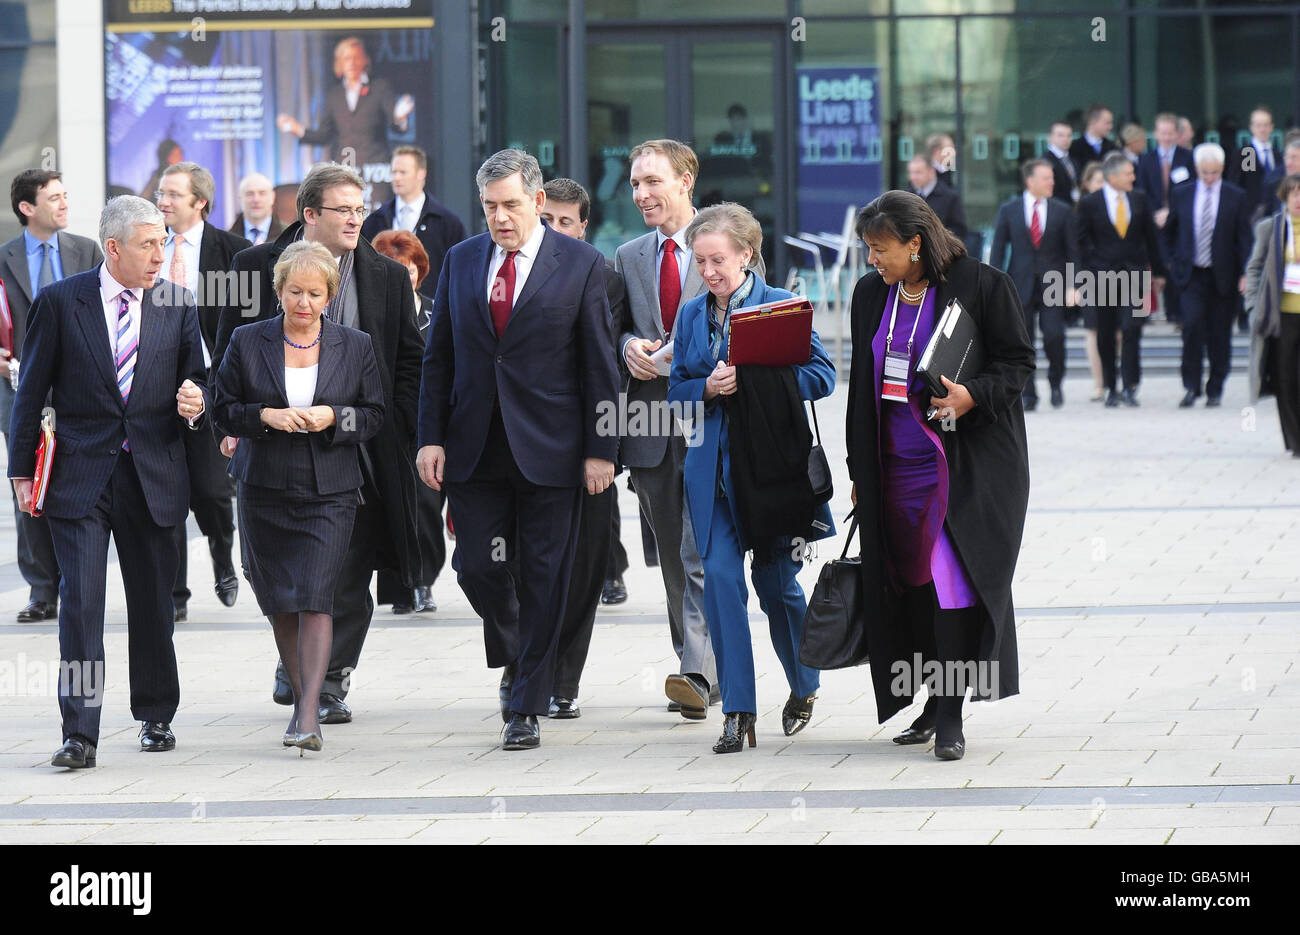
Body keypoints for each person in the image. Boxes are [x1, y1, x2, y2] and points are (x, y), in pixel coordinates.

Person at [416, 150, 618, 751]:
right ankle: (513, 647)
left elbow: (599, 367)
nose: (499, 217)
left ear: (536, 201)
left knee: (546, 574)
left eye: (509, 204)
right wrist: (429, 436)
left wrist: (601, 449)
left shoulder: (580, 264)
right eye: (489, 207)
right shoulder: (460, 259)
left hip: (553, 450)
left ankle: (526, 702)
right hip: (475, 446)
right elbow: (439, 358)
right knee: (477, 565)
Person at [213, 162, 422, 726]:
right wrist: (241, 425)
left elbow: (406, 363)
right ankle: (298, 661)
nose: (357, 219)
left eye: (361, 209)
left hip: (361, 449)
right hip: (268, 455)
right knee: (268, 571)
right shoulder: (253, 267)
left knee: (349, 569)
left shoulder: (386, 275)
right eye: (344, 210)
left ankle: (327, 680)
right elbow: (225, 363)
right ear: (310, 215)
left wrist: (392, 429)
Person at [8, 195, 208, 768]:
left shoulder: (176, 302)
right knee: (81, 606)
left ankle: (156, 716)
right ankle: (80, 733)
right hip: (81, 479)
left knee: (152, 605)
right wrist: (22, 469)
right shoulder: (59, 302)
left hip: (152, 475)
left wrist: (197, 400)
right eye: (148, 244)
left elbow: (195, 379)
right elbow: (32, 391)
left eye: (164, 242)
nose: (159, 255)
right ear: (114, 248)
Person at [846, 190, 1033, 762]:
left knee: (950, 582)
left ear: (915, 244)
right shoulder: (869, 294)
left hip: (960, 467)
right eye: (868, 250)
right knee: (912, 585)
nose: (872, 260)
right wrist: (860, 470)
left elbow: (1018, 363)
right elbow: (861, 387)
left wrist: (973, 395)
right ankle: (932, 697)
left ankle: (951, 714)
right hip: (891, 466)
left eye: (880, 250)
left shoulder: (981, 284)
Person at [667, 203, 835, 754]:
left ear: (746, 254)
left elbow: (822, 375)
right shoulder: (692, 315)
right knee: (719, 580)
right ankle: (739, 710)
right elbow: (676, 389)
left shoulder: (781, 306)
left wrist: (755, 380)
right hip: (709, 475)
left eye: (719, 260)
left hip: (770, 474)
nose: (710, 271)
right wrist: (709, 388)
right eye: (701, 261)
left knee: (776, 587)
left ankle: (804, 682)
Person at [212, 241, 384, 753]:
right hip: (263, 484)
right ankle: (301, 699)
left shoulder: (355, 344)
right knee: (278, 601)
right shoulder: (247, 340)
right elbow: (223, 408)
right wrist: (264, 417)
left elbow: (374, 414)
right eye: (294, 292)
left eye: (314, 293)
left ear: (329, 294)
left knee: (314, 596)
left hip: (330, 488)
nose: (303, 303)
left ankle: (307, 714)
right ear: (279, 291)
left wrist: (334, 417)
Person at [615, 139, 721, 719]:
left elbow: (751, 317)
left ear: (685, 180)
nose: (641, 194)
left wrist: (683, 351)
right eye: (635, 184)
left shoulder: (724, 242)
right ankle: (697, 667)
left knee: (705, 548)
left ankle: (701, 672)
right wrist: (631, 346)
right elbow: (613, 326)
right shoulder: (629, 256)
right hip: (652, 427)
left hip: (712, 421)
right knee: (675, 560)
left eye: (653, 181)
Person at [538, 177, 630, 717]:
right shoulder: (495, 272)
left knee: (584, 565)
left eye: (565, 222)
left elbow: (605, 369)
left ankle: (562, 680)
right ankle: (525, 665)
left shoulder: (603, 278)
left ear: (583, 227)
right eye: (545, 219)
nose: (554, 230)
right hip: (520, 446)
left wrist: (605, 447)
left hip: (588, 442)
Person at [1, 169, 103, 623]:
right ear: (28, 208)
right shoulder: (3, 259)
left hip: (80, 389)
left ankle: (78, 581)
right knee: (28, 482)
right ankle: (42, 590)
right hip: (20, 389)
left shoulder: (88, 251)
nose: (64, 204)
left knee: (74, 483)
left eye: (65, 195)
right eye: (54, 197)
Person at [156, 162, 250, 620]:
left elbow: (249, 328)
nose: (163, 201)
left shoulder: (233, 253)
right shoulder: (146, 248)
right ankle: (174, 594)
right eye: (160, 192)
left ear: (201, 203)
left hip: (212, 386)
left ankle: (221, 557)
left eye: (173, 194)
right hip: (154, 388)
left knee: (213, 491)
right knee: (166, 494)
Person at [370, 228, 446, 615]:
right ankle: (405, 584)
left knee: (427, 504)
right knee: (395, 504)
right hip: (390, 420)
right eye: (396, 268)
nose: (406, 275)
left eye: (411, 267)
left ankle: (424, 579)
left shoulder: (438, 309)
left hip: (432, 422)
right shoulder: (375, 315)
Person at [1161, 143, 1253, 407]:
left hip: (1223, 275)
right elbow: (1168, 232)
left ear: (1222, 169)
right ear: (1197, 170)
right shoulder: (1182, 193)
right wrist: (1170, 262)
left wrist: (1246, 271)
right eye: (1204, 172)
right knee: (1191, 327)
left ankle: (1215, 387)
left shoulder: (1236, 196)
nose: (1210, 178)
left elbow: (1244, 239)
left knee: (1219, 333)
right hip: (1191, 274)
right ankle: (1191, 385)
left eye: (1214, 172)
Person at [1077, 152, 1168, 406]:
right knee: (1105, 333)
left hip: (1134, 274)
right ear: (1113, 177)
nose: (1133, 177)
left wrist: (1159, 272)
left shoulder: (1139, 199)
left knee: (1132, 328)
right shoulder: (1090, 203)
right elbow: (1081, 241)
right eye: (1129, 173)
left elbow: (1151, 238)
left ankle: (1130, 384)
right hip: (1101, 276)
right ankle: (1110, 386)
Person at [990, 158, 1080, 410]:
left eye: (1052, 177)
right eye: (1046, 178)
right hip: (1019, 284)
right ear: (1030, 181)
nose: (1052, 182)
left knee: (1054, 336)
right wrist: (994, 286)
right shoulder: (1009, 210)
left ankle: (1055, 382)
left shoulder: (1063, 210)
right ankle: (1028, 393)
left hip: (1054, 284)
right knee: (1023, 342)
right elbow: (998, 250)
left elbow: (1073, 252)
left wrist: (1074, 285)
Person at [275, 36, 413, 170]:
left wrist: (400, 118)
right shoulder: (334, 95)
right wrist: (297, 129)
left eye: (356, 57)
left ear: (365, 61)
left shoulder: (380, 87)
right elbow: (324, 136)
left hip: (375, 169)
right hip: (346, 170)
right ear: (339, 64)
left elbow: (397, 127)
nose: (352, 63)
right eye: (347, 59)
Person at [361, 145, 467, 302]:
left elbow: (460, 273)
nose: (396, 178)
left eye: (402, 172)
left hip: (432, 314)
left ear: (421, 174)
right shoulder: (374, 221)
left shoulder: (448, 223)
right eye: (393, 172)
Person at [1245, 173, 1300, 455]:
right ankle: (1294, 439)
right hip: (1282, 316)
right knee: (1285, 377)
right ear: (1285, 197)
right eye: (1295, 194)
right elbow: (1254, 268)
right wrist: (1253, 305)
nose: (1299, 200)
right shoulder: (1271, 228)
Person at [1138, 113, 1195, 327]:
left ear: (1177, 134)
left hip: (1178, 220)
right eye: (1162, 133)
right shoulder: (1146, 159)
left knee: (1175, 262)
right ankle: (1146, 310)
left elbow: (1191, 189)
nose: (1166, 137)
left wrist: (1171, 213)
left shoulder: (1188, 157)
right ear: (1156, 134)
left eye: (1170, 133)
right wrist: (1155, 213)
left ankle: (1176, 311)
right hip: (1153, 220)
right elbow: (1141, 189)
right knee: (1152, 261)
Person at [1078, 162, 1109, 401]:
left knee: (1117, 332)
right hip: (1090, 277)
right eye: (1098, 181)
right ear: (1087, 184)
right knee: (1094, 330)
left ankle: (1113, 378)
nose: (1102, 186)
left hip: (1118, 276)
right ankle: (1099, 383)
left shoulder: (1119, 207)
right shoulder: (1078, 211)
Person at [1228, 106, 1284, 222]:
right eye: (1258, 125)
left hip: (1276, 214)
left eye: (1265, 125)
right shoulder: (1246, 153)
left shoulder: (1278, 154)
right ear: (1251, 127)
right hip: (1251, 216)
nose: (1262, 129)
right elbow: (1238, 185)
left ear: (1271, 127)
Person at [906, 154, 968, 242]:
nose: (913, 177)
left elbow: (960, 231)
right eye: (911, 172)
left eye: (918, 172)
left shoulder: (950, 197)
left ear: (931, 172)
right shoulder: (906, 195)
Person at [228, 173, 284, 246]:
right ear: (240, 199)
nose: (256, 200)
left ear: (272, 197)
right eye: (249, 194)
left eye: (262, 193)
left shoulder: (290, 235)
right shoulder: (226, 239)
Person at [1069, 104, 1118, 178]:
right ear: (1093, 122)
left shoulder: (1113, 148)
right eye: (1107, 123)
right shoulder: (1073, 148)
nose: (1110, 127)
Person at [1044, 120, 1079, 204]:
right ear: (1050, 138)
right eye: (1060, 135)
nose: (1065, 139)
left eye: (1069, 135)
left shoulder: (1073, 160)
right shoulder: (1045, 161)